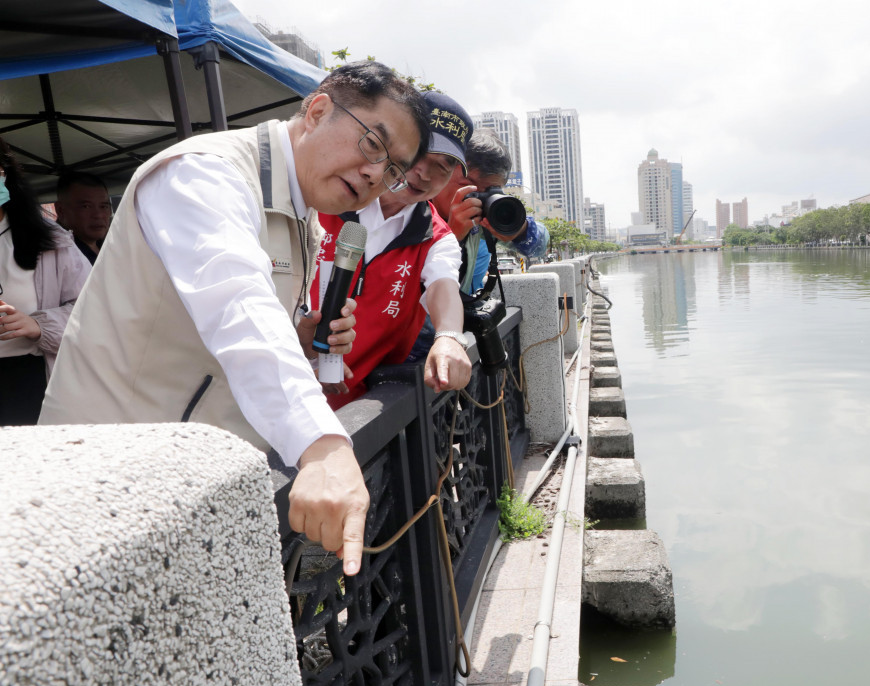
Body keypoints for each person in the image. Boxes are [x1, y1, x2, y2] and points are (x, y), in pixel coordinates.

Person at [40, 61, 429, 576]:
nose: (377, 175)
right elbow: (238, 310)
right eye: (373, 145)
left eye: (394, 169)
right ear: (317, 111)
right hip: (107, 482)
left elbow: (243, 328)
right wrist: (323, 446)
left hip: (193, 485)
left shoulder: (300, 207)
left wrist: (301, 338)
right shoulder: (203, 173)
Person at [312, 90, 472, 409]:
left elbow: (444, 285)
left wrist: (450, 337)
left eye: (443, 166)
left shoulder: (436, 237)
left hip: (353, 409)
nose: (425, 173)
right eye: (420, 153)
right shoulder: (324, 196)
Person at [0, 136, 92, 425]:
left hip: (28, 378)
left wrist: (39, 325)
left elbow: (94, 307)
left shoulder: (50, 239)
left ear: (5, 173)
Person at [432, 128, 549, 293]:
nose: (476, 199)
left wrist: (519, 230)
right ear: (442, 169)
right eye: (468, 187)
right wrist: (450, 237)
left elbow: (540, 246)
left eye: (488, 192)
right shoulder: (411, 210)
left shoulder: (482, 218)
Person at [54, 172, 113, 264]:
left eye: (103, 206)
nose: (98, 215)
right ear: (61, 210)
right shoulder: (57, 257)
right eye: (86, 206)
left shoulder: (111, 246)